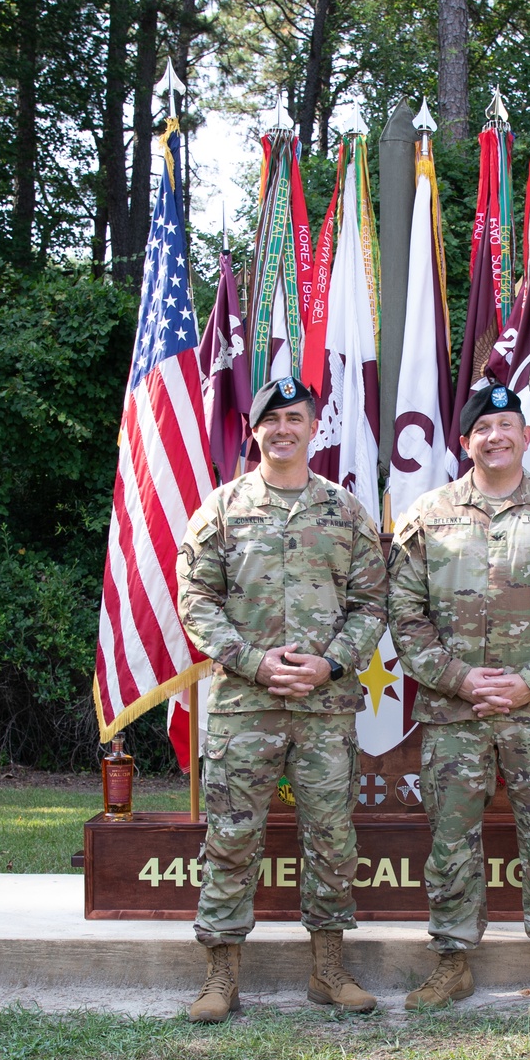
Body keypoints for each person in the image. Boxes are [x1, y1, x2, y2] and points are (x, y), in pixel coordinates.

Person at [387, 381, 530, 1012]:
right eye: (483, 428)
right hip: (454, 712)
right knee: (450, 842)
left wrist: (527, 682)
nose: (496, 436)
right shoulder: (430, 516)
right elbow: (404, 615)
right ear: (466, 442)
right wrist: (458, 679)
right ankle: (453, 962)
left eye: (507, 425)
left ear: (525, 436)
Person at [176, 375, 387, 1022]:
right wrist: (253, 660)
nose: (284, 429)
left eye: (295, 417)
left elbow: (372, 602)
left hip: (324, 708)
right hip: (246, 705)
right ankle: (221, 978)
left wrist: (328, 663)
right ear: (254, 429)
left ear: (314, 427)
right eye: (272, 419)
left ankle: (327, 972)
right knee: (232, 838)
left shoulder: (347, 512)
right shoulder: (221, 508)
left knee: (331, 837)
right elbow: (195, 599)